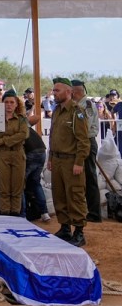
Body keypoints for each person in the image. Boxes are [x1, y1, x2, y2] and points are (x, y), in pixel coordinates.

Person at [49, 78, 91, 247]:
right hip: (57, 160)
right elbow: (53, 137)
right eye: (53, 90)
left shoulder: (77, 112)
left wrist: (79, 162)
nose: (54, 93)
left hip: (71, 161)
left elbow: (83, 141)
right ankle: (65, 228)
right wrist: (50, 158)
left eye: (57, 90)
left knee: (75, 195)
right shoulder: (57, 111)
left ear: (68, 92)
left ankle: (79, 232)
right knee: (59, 195)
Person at [0, 90, 29, 216]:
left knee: (17, 188)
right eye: (6, 102)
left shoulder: (21, 119)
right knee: (4, 189)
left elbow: (23, 135)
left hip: (17, 154)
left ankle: (16, 216)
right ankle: (5, 216)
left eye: (12, 102)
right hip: (2, 155)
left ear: (17, 104)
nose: (9, 105)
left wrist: (3, 141)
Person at [71, 79, 102, 223]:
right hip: (82, 143)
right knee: (82, 178)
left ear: (75, 92)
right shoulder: (78, 105)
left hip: (87, 142)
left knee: (90, 178)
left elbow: (85, 126)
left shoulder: (86, 105)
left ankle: (94, 213)